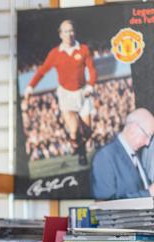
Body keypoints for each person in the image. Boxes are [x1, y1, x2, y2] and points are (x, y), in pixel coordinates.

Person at [24, 19, 97, 166]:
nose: (69, 34)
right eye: (66, 31)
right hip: (66, 95)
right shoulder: (55, 54)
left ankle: (76, 145)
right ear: (60, 34)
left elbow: (92, 69)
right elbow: (42, 71)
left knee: (88, 131)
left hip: (82, 93)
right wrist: (30, 87)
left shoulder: (83, 49)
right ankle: (80, 153)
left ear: (74, 32)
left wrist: (90, 86)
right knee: (75, 130)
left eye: (71, 31)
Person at [91, 108, 154, 200]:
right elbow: (105, 205)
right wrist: (148, 193)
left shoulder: (134, 154)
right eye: (147, 135)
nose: (147, 143)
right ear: (134, 128)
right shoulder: (105, 157)